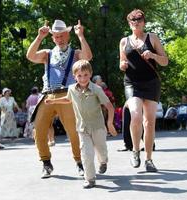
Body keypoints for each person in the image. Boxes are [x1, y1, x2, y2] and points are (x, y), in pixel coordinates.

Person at [26, 19, 92, 178]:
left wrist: (81, 36)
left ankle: (80, 163)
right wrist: (39, 37)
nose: (59, 39)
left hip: (68, 94)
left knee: (74, 131)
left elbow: (88, 57)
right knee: (39, 130)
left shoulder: (75, 53)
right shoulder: (47, 54)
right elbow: (30, 56)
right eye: (56, 36)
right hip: (48, 95)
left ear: (67, 35)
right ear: (53, 37)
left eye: (62, 36)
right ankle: (46, 163)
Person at [45, 60, 117, 188]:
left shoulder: (96, 89)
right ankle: (89, 179)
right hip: (82, 127)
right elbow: (68, 99)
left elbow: (109, 106)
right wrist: (54, 101)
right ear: (74, 76)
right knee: (86, 153)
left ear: (90, 74)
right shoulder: (72, 89)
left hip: (98, 127)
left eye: (85, 75)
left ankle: (103, 161)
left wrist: (109, 123)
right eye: (79, 76)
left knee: (101, 149)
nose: (82, 78)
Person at [119, 9, 168, 172]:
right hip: (132, 83)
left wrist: (153, 56)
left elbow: (165, 61)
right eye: (133, 21)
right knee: (135, 115)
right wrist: (122, 65)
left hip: (151, 83)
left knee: (149, 122)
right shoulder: (124, 41)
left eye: (139, 20)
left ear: (144, 22)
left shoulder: (152, 38)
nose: (136, 23)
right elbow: (121, 62)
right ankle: (135, 150)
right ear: (129, 23)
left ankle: (148, 159)